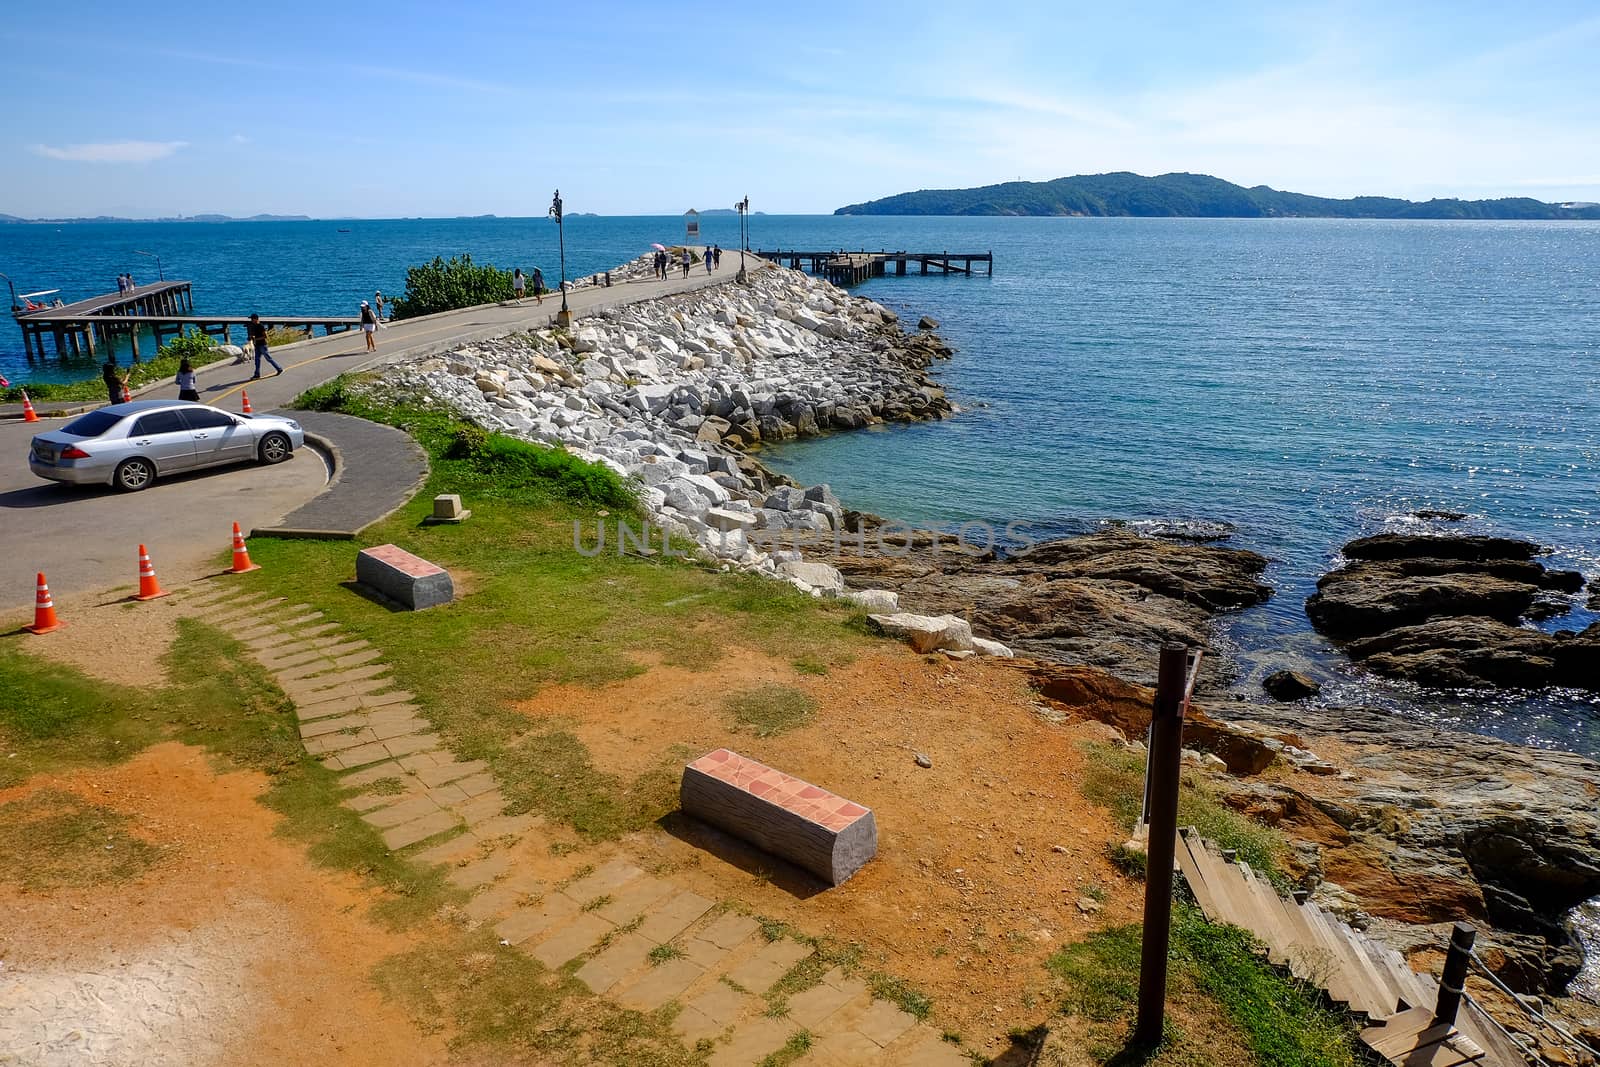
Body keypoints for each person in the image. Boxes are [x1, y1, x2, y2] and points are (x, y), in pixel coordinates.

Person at [247, 313, 283, 379]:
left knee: (268, 358)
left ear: (256, 319)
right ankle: (257, 374)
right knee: (257, 360)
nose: (251, 320)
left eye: (252, 319)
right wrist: (252, 337)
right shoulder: (254, 326)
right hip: (257, 345)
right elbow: (256, 335)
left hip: (262, 345)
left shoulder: (261, 326)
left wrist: (256, 339)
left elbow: (265, 336)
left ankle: (279, 368)